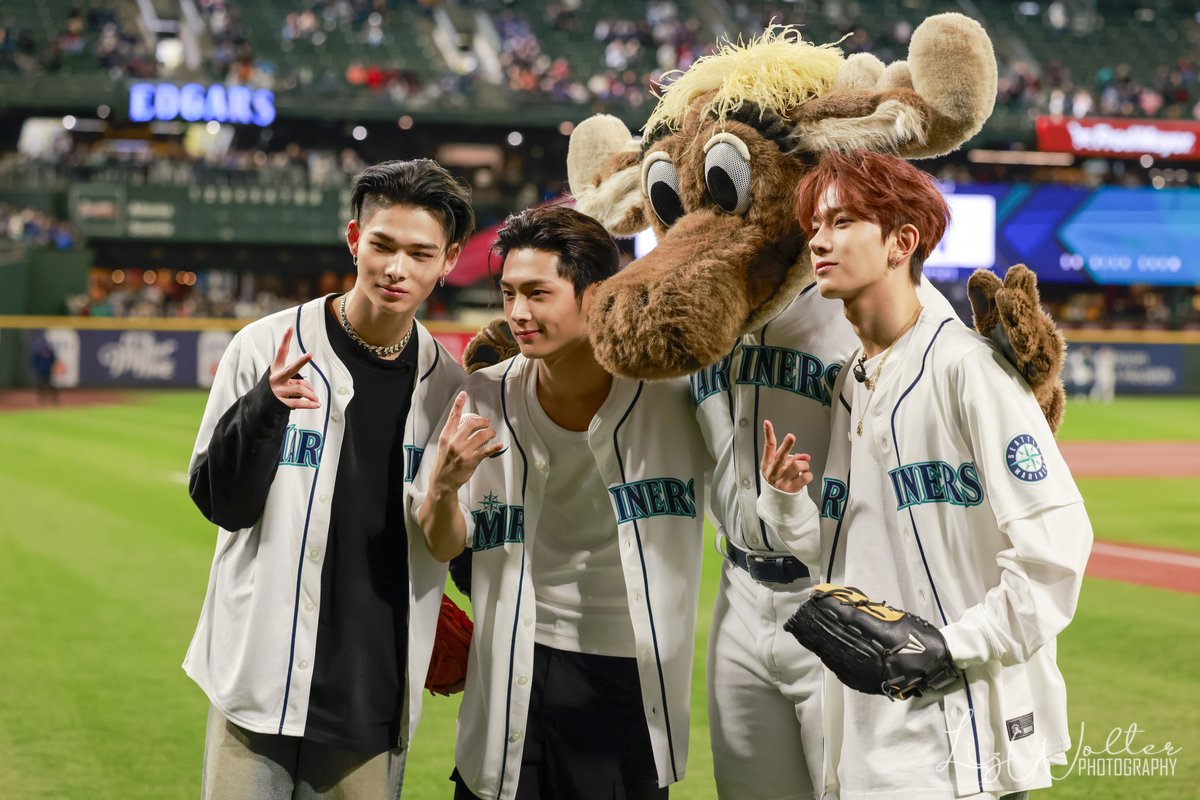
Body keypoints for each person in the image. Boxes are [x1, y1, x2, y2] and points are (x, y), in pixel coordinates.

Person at [413, 205, 805, 800]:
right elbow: (444, 541)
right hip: (518, 667)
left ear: (595, 295)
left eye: (538, 293)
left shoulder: (673, 394)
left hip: (631, 674)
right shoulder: (483, 396)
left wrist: (776, 492)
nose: (518, 312)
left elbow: (739, 511)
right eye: (509, 293)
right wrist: (442, 488)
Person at [764, 149, 1093, 799]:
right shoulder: (850, 384)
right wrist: (786, 503)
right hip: (868, 732)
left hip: (957, 737)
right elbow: (840, 556)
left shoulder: (967, 369)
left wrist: (953, 645)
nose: (819, 241)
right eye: (814, 226)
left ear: (901, 242)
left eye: (843, 221)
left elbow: (1058, 546)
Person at [184, 158, 473, 799]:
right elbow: (221, 503)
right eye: (382, 245)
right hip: (259, 682)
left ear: (448, 259)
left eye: (420, 252)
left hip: (370, 696)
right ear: (353, 239)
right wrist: (264, 410)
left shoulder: (449, 390)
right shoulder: (265, 347)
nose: (397, 268)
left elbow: (450, 545)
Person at [691, 176, 959, 800]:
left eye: (836, 222)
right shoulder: (699, 304)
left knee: (845, 788)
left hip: (839, 592)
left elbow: (956, 382)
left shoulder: (868, 295)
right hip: (736, 593)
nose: (820, 236)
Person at [30, 338, 58, 404]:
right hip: (41, 370)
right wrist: (37, 368)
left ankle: (53, 397)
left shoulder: (50, 351)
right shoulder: (38, 351)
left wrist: (50, 366)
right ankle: (42, 398)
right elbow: (34, 360)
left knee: (49, 384)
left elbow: (53, 359)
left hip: (47, 370)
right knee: (41, 385)